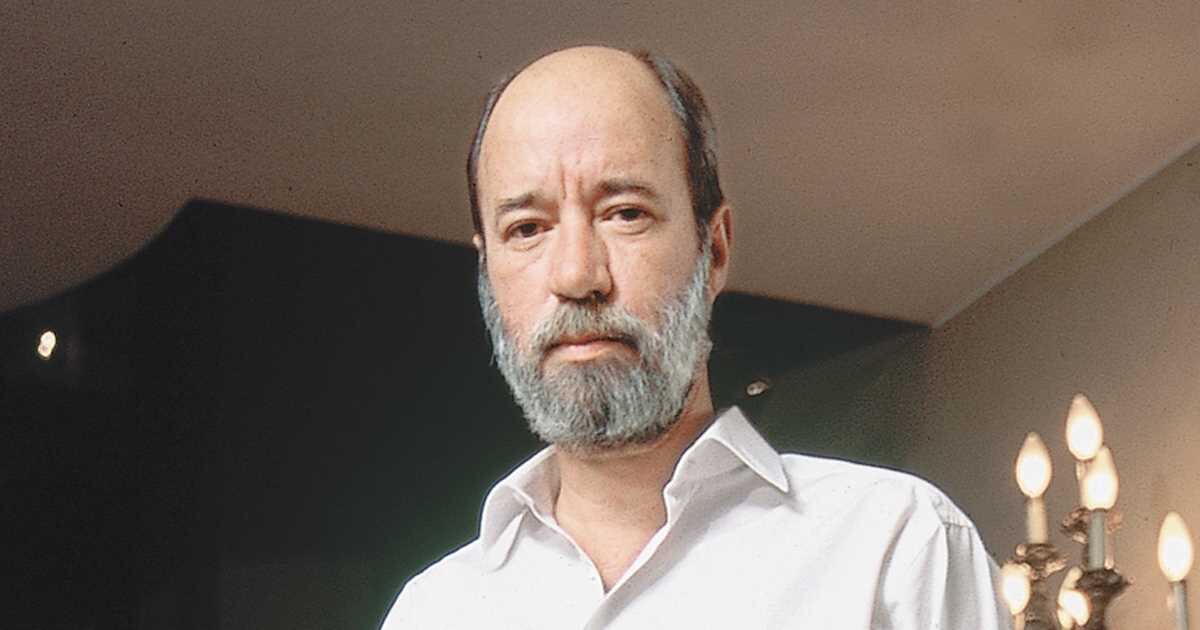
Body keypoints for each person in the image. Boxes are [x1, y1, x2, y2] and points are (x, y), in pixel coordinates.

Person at [381, 45, 1009, 629]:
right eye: (526, 228)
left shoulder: (897, 546)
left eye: (625, 213)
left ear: (714, 251)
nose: (577, 275)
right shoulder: (431, 612)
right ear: (488, 272)